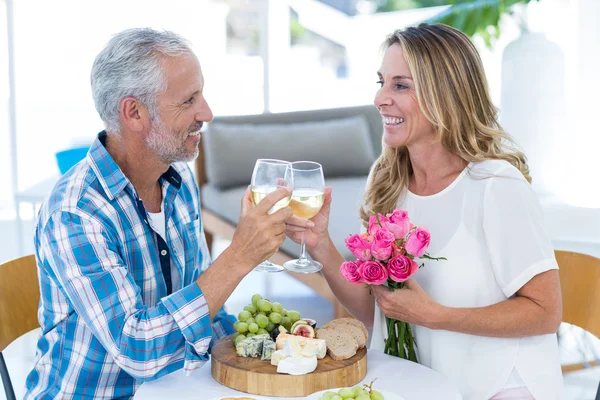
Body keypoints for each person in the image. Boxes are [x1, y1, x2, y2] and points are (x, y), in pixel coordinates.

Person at [286, 23, 563, 400]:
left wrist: (433, 315)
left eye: (400, 85)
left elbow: (546, 313)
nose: (381, 98)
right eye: (381, 81)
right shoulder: (386, 181)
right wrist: (319, 246)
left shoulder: (496, 185)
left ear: (445, 95)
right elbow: (381, 313)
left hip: (499, 387)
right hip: (421, 384)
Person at [25, 28, 293, 399]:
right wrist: (239, 256)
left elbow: (204, 302)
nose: (207, 113)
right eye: (188, 101)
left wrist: (273, 348)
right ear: (134, 112)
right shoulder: (76, 212)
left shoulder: (176, 177)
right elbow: (138, 349)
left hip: (176, 388)